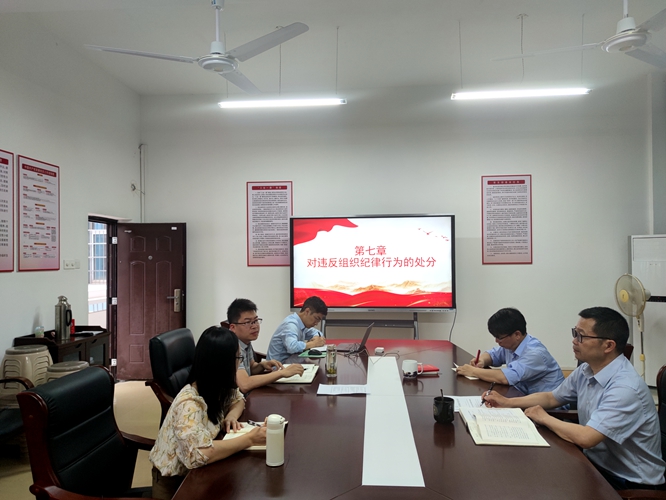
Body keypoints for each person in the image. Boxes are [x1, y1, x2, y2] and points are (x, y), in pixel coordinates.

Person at [483, 307, 666, 491]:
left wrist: (543, 417)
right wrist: (507, 402)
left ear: (608, 346)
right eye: (575, 333)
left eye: (581, 336)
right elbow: (551, 397)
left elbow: (587, 438)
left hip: (629, 483)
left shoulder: (625, 388)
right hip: (595, 464)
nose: (574, 340)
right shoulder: (586, 369)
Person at [149, 326, 267, 500]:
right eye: (237, 358)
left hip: (201, 473)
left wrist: (231, 416)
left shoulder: (216, 386)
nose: (239, 363)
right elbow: (198, 454)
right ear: (222, 363)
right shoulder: (189, 404)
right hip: (176, 483)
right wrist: (249, 439)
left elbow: (238, 399)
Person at [455, 307, 564, 395]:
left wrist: (473, 371)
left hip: (550, 409)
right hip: (523, 398)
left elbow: (505, 378)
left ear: (517, 334)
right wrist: (482, 360)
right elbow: (493, 355)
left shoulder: (535, 354)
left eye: (499, 337)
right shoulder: (512, 345)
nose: (496, 341)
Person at [226, 298, 304, 393]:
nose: (254, 326)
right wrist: (282, 373)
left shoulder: (245, 341)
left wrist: (262, 365)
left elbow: (250, 368)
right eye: (247, 322)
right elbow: (244, 384)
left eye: (255, 320)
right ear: (233, 327)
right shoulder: (230, 346)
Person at [266, 296, 327, 363]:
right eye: (316, 318)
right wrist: (313, 344)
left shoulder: (303, 324)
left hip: (291, 363)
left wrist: (317, 338)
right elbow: (292, 347)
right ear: (307, 311)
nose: (316, 323)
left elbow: (317, 333)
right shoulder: (290, 324)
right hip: (278, 366)